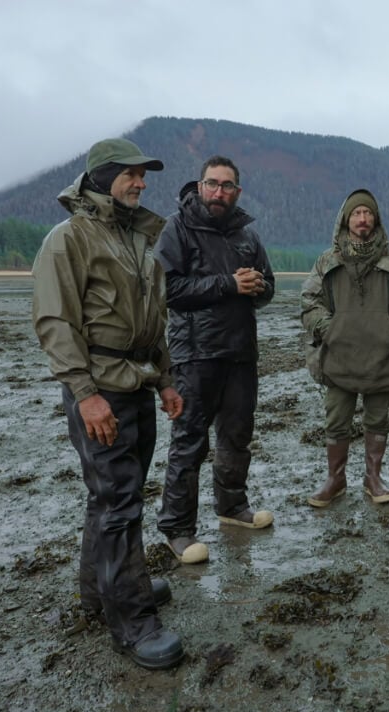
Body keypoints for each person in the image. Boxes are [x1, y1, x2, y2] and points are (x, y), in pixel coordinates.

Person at [31, 137, 185, 669]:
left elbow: (152, 317)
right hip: (101, 389)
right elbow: (55, 323)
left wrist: (164, 379)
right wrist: (86, 394)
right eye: (130, 175)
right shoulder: (68, 239)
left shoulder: (138, 237)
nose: (141, 183)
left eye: (144, 175)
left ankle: (103, 591)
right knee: (119, 504)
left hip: (137, 383)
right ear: (101, 177)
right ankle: (133, 622)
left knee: (113, 497)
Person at [153, 156, 275, 565]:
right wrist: (229, 283)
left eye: (227, 186)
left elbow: (267, 286)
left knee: (236, 437)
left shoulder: (247, 236)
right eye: (212, 184)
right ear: (200, 186)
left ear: (237, 192)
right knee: (189, 444)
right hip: (194, 355)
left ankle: (232, 508)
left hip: (240, 354)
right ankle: (177, 529)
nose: (219, 192)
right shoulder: (177, 228)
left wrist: (258, 287)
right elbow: (168, 289)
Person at [301, 189, 389, 507]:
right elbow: (309, 303)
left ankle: (373, 478)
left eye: (368, 213)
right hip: (337, 358)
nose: (363, 218)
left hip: (381, 358)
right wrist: (330, 330)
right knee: (336, 421)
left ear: (375, 219)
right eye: (356, 213)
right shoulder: (327, 262)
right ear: (346, 219)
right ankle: (335, 480)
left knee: (377, 421)